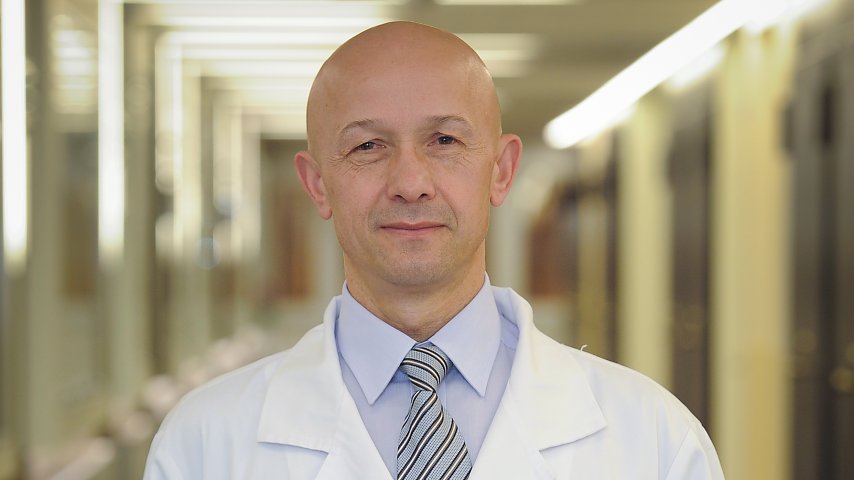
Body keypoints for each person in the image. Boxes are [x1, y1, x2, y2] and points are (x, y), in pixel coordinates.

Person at [144, 21, 725, 479]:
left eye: (444, 140)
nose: (410, 182)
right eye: (368, 146)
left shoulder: (653, 438)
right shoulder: (203, 444)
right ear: (317, 185)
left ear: (501, 171)